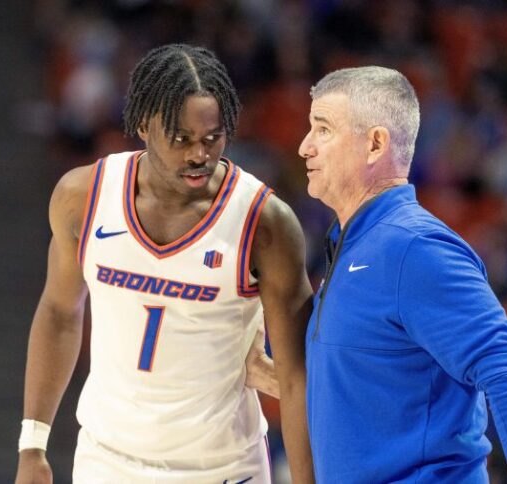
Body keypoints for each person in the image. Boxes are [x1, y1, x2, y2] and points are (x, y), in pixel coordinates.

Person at [16, 44, 314, 484]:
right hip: (106, 461)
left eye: (212, 138)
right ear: (143, 125)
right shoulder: (83, 198)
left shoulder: (264, 222)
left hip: (223, 470)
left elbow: (295, 377)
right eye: (181, 139)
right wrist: (33, 445)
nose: (199, 155)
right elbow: (60, 314)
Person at [298, 66, 507, 483]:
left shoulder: (414, 246)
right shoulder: (352, 244)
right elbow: (356, 391)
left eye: (323, 129)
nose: (305, 146)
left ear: (375, 144)